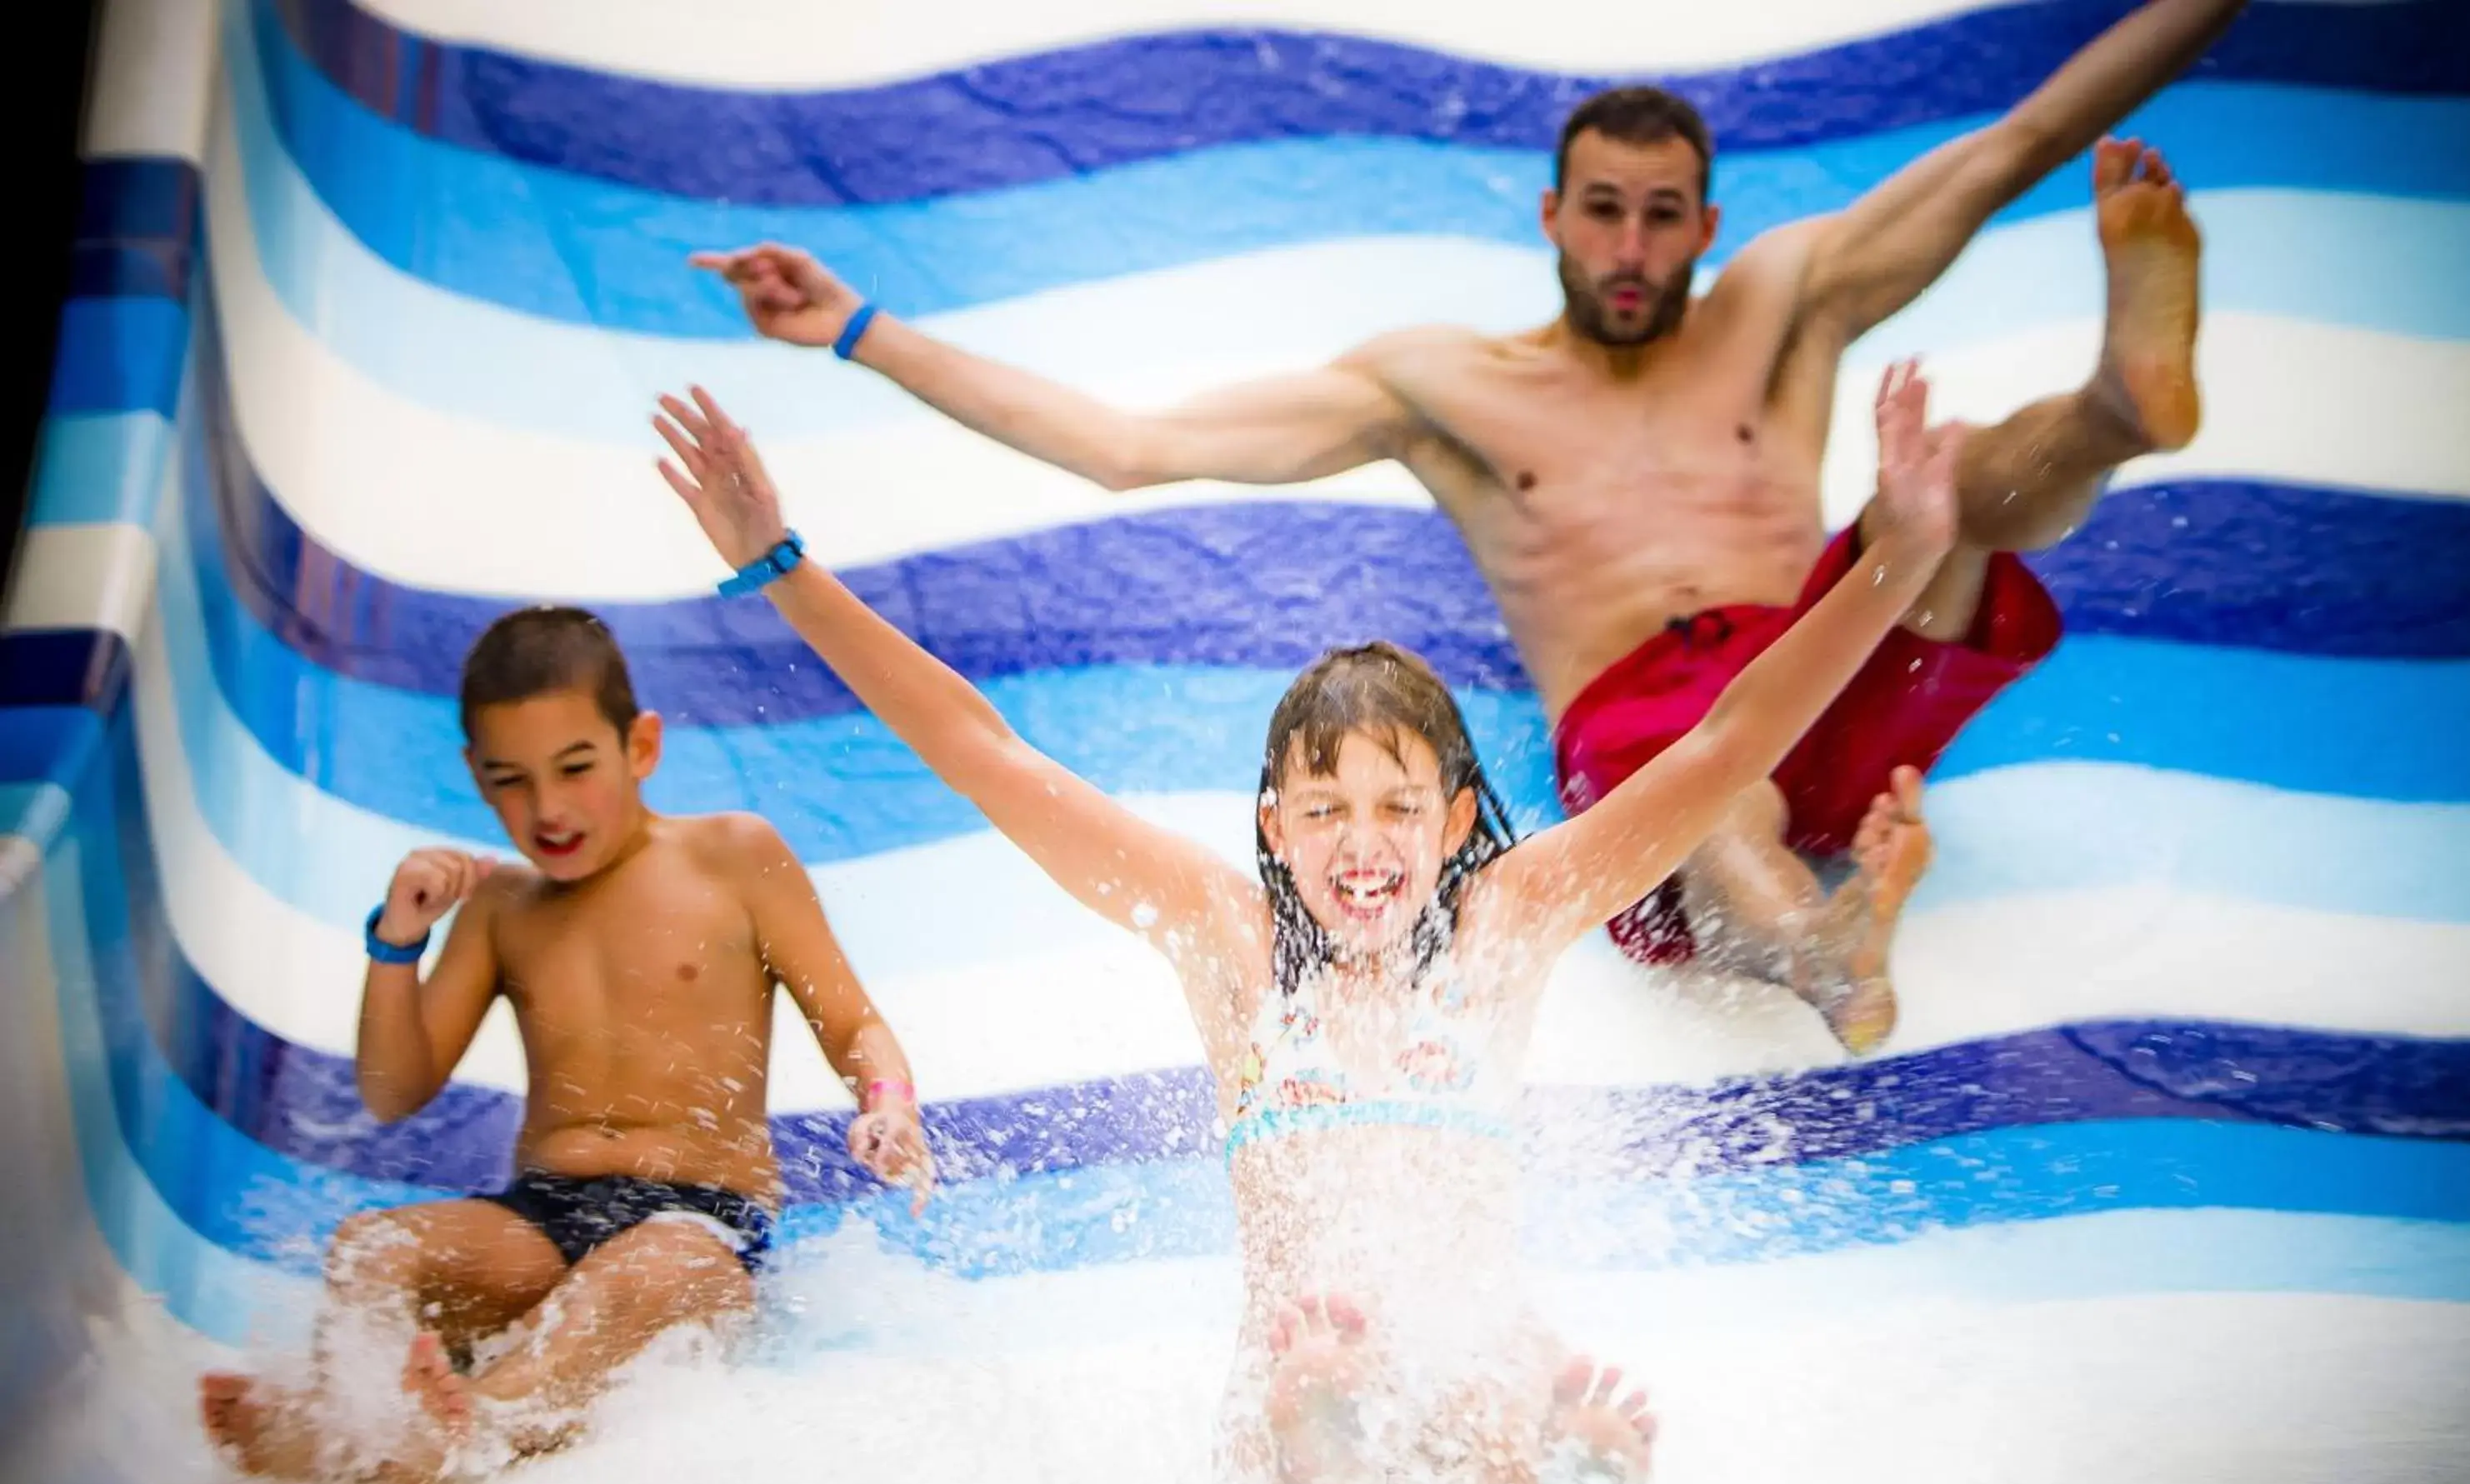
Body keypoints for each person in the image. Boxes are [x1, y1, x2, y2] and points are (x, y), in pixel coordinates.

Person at [650, 361, 1962, 1484]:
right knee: (1321, 1364)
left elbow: (1729, 740)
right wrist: (782, 567)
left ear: (1455, 827)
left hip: (1478, 1362)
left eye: (1398, 807)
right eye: (1324, 808)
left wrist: (1898, 558)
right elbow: (983, 752)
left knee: (1497, 1386)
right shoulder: (1228, 940)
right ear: (1273, 828)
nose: (1361, 842)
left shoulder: (1506, 922)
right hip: (1294, 1368)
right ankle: (1337, 1459)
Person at [694, 0, 2240, 1052]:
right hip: (1648, 723)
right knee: (1708, 799)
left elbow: (2018, 142)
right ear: (1552, 215)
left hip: (1824, 665)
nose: (1632, 247)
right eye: (1603, 209)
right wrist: (858, 330)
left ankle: (2120, 405)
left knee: (1954, 487)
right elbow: (1127, 449)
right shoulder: (1448, 390)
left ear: (1708, 223)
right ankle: (1820, 946)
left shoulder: (1788, 301)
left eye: (1663, 215)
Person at [198, 607, 932, 1484]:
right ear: (475, 776)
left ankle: (473, 1422)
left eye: (576, 768)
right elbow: (394, 1089)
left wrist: (886, 1096)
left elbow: (854, 1022)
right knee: (370, 1248)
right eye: (511, 780)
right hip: (540, 1220)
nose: (547, 808)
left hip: (698, 1226)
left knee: (631, 1280)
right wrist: (397, 943)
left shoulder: (733, 857)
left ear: (642, 746)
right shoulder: (502, 905)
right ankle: (350, 1420)